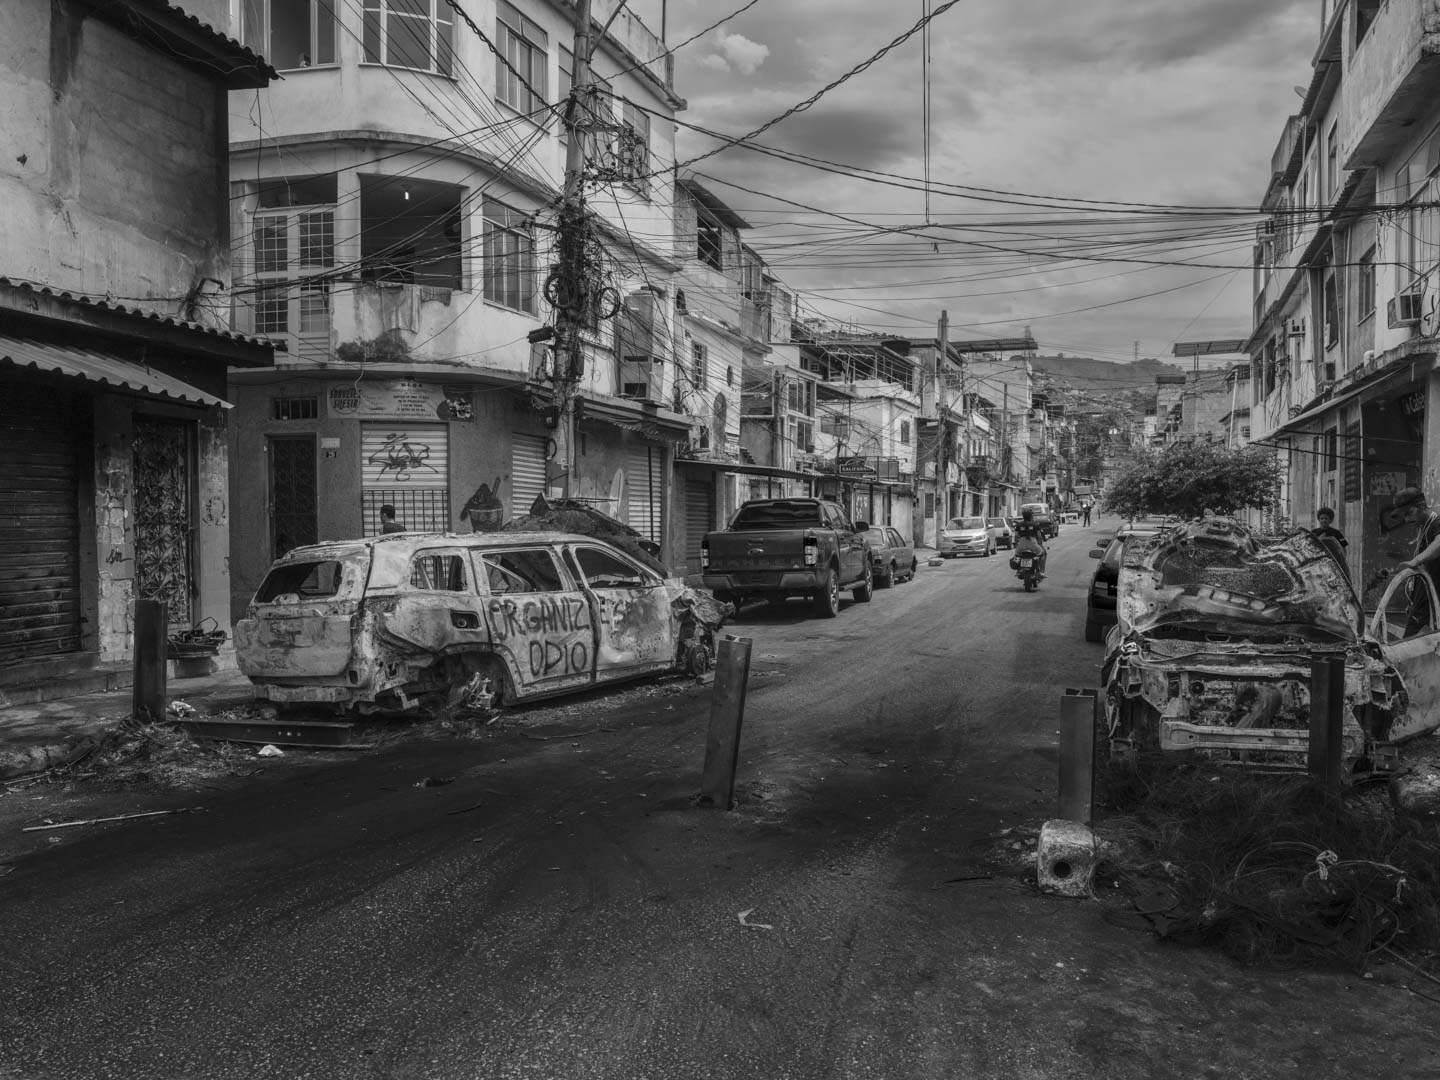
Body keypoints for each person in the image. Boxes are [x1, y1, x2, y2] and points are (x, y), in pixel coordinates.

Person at [1397, 488, 1440, 634]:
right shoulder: (1423, 527)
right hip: (1423, 597)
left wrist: (1416, 560)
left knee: (1411, 638)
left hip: (1432, 596)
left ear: (1421, 505)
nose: (1407, 519)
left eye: (1409, 513)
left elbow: (1439, 544)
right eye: (1404, 515)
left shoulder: (1436, 523)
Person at [1012, 506, 1048, 578]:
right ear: (1031, 516)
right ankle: (1041, 571)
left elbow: (1016, 536)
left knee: (1017, 555)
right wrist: (1040, 544)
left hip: (1021, 544)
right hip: (1033, 544)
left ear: (1023, 516)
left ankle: (1019, 570)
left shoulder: (1019, 525)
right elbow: (1039, 536)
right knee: (1043, 553)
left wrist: (1017, 545)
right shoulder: (1035, 524)